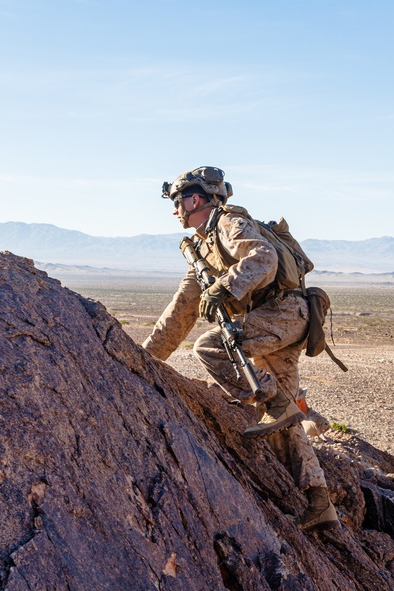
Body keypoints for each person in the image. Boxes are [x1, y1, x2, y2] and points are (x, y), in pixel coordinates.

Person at [141, 166, 339, 532]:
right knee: (286, 419)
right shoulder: (203, 249)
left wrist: (224, 287)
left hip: (284, 314)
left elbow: (263, 258)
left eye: (176, 202)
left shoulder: (228, 223)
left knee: (211, 345)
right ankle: (319, 501)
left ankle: (275, 402)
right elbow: (179, 314)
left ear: (194, 199)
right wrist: (143, 358)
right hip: (277, 321)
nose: (175, 211)